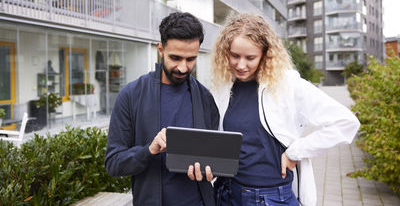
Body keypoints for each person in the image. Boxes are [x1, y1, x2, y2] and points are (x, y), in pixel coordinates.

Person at [206, 13, 360, 206]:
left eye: (250, 57)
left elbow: (346, 123)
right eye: (235, 56)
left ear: (265, 54)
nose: (241, 65)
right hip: (226, 193)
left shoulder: (288, 85)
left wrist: (295, 152)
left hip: (269, 199)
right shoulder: (223, 87)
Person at [105, 12, 219, 206]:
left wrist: (210, 169)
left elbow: (214, 158)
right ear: (160, 49)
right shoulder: (131, 95)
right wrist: (148, 151)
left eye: (191, 59)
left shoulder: (205, 98)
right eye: (175, 58)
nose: (183, 68)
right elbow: (114, 163)